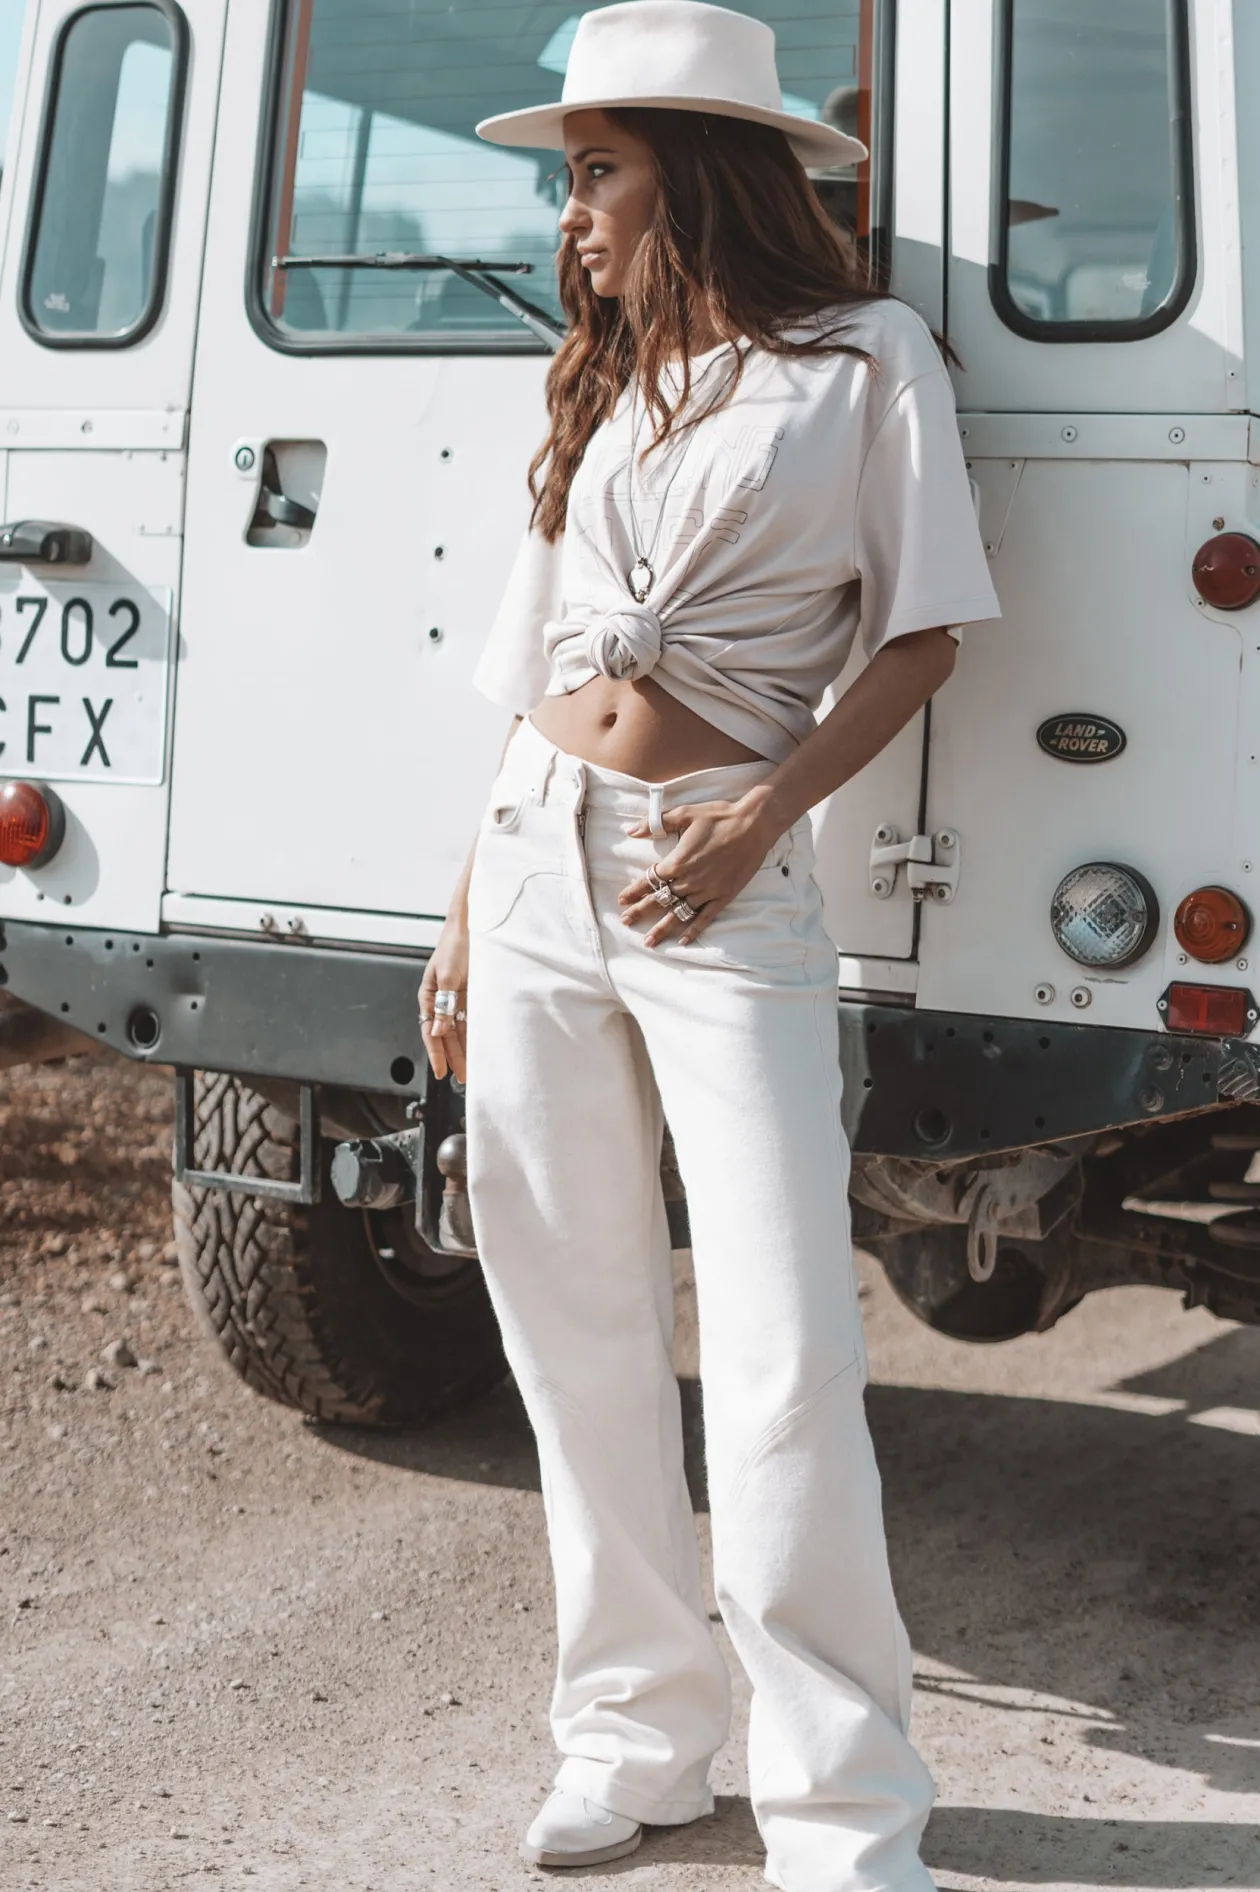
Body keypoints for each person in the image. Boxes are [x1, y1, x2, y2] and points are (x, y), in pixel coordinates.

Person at [417, 5, 1000, 1885]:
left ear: (700, 172)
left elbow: (925, 631)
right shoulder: (603, 381)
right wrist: (463, 916)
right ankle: (635, 1739)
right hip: (536, 865)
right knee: (571, 1322)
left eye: (596, 171)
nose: (568, 211)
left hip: (723, 881)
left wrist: (769, 811)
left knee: (783, 1345)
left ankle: (844, 1805)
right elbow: (529, 671)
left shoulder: (865, 360)